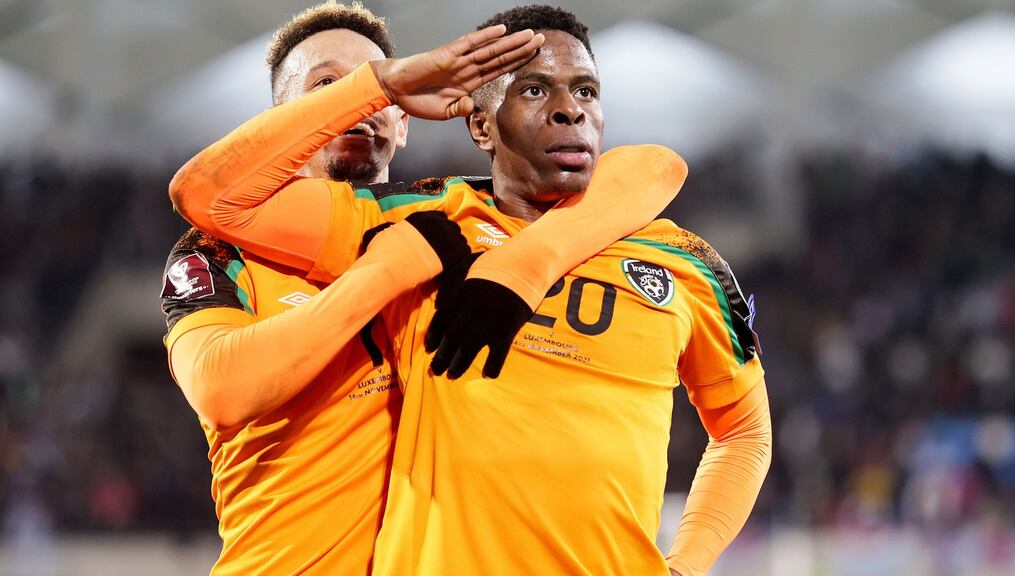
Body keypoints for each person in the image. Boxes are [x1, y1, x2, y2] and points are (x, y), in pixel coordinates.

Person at [171, 4, 768, 575]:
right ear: (480, 124)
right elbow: (208, 199)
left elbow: (744, 430)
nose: (569, 109)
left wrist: (686, 565)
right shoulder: (411, 230)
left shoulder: (679, 258)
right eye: (535, 90)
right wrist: (379, 87)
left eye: (586, 91)